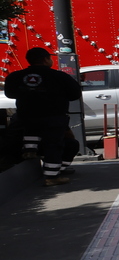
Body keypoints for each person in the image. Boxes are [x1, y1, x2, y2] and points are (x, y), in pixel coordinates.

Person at [4, 47, 81, 186]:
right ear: (46, 59)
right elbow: (75, 94)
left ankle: (30, 151)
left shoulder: (15, 76)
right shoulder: (59, 76)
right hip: (53, 117)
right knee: (53, 145)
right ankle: (52, 176)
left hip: (26, 116)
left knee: (31, 132)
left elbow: (10, 94)